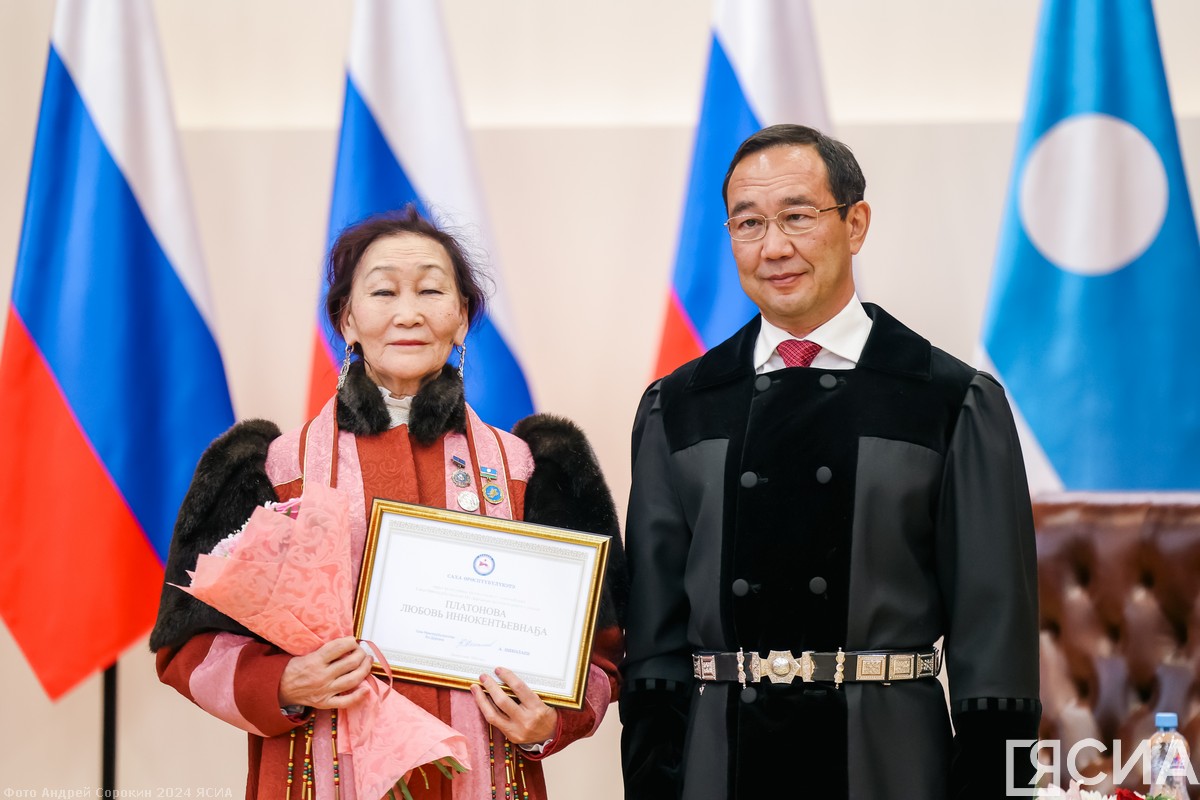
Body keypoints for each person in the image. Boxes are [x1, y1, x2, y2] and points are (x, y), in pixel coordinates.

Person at [618, 124, 1040, 799]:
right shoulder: (681, 405)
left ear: (856, 223)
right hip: (719, 764)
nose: (774, 247)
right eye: (748, 223)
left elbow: (999, 659)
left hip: (892, 762)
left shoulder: (948, 400)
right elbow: (654, 641)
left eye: (797, 216)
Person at [150, 207, 627, 800]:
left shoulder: (534, 470)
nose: (408, 313)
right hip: (318, 776)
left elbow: (602, 654)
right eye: (383, 292)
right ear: (346, 319)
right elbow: (186, 651)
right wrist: (281, 681)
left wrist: (552, 724)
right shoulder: (270, 470)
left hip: (488, 776)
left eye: (432, 290)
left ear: (461, 321)